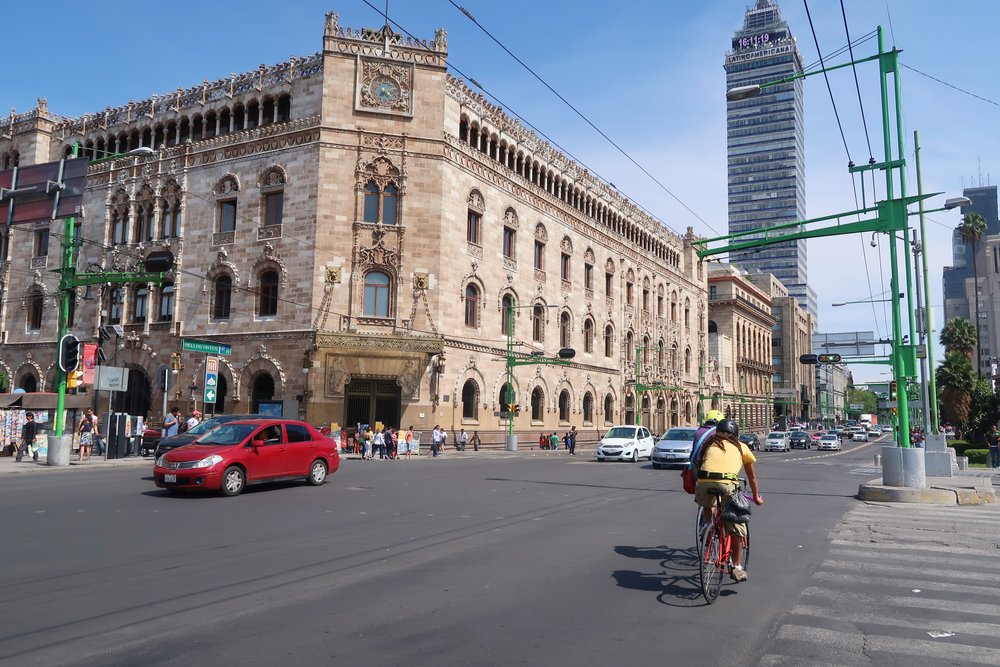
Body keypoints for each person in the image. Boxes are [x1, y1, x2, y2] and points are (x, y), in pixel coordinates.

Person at [694, 419, 763, 583]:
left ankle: (707, 527)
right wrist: (756, 497)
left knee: (708, 504)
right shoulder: (741, 447)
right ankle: (737, 567)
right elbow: (752, 477)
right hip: (727, 485)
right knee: (738, 527)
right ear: (735, 434)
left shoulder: (709, 444)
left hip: (703, 483)